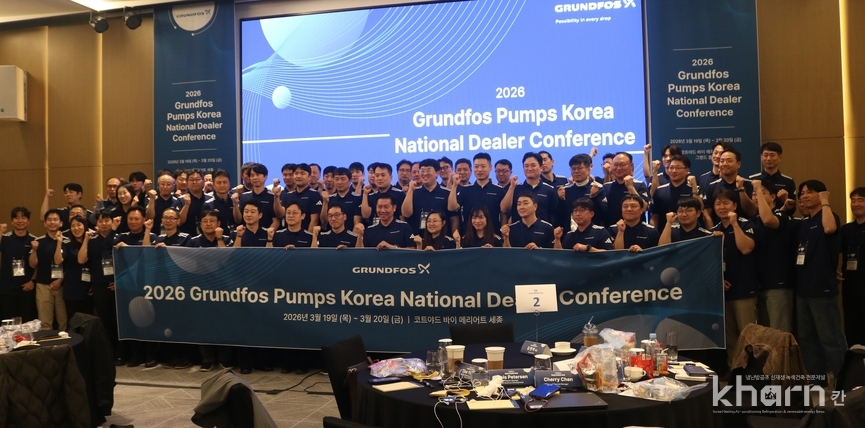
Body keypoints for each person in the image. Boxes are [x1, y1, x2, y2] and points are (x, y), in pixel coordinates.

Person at [794, 180, 847, 386]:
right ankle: (818, 379)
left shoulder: (829, 216)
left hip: (822, 287)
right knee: (807, 337)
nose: (804, 196)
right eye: (802, 193)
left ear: (821, 194)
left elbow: (830, 229)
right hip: (803, 288)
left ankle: (844, 381)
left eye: (810, 192)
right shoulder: (804, 223)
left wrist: (825, 201)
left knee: (830, 337)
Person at [709, 188, 758, 367]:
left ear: (735, 205)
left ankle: (751, 373)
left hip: (744, 290)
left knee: (748, 336)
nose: (722, 207)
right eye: (718, 203)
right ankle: (734, 373)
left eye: (726, 203)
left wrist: (735, 224)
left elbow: (746, 248)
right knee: (730, 338)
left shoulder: (746, 225)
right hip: (723, 293)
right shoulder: (713, 231)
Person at [750, 180, 795, 333]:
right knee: (765, 333)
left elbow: (768, 220)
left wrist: (757, 187)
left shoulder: (781, 214)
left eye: (762, 193)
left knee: (779, 331)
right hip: (759, 285)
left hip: (778, 283)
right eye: (754, 194)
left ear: (773, 196)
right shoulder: (754, 221)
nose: (756, 196)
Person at [79, 210, 120, 364]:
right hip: (99, 285)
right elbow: (82, 260)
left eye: (106, 220)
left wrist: (119, 281)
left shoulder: (119, 238)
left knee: (118, 320)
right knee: (104, 320)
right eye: (100, 221)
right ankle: (108, 353)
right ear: (96, 223)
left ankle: (120, 352)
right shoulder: (92, 240)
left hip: (116, 285)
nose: (103, 223)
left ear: (112, 221)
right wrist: (85, 240)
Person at [448, 152, 507, 233]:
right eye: (476, 166)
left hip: (493, 235)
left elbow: (503, 214)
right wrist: (454, 186)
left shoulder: (499, 190)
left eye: (483, 166)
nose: (479, 170)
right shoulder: (465, 190)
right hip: (469, 236)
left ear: (490, 167)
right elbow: (451, 208)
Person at [30, 209, 69, 331]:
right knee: (45, 322)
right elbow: (33, 265)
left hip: (63, 286)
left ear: (61, 223)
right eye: (49, 220)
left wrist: (60, 280)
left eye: (55, 219)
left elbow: (70, 265)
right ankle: (47, 343)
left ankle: (64, 343)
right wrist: (34, 250)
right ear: (45, 223)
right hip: (43, 285)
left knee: (63, 320)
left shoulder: (67, 241)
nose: (52, 222)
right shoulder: (38, 241)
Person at [0, 207, 38, 322]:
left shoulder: (34, 240)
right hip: (7, 288)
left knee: (27, 323)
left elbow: (38, 265)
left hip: (26, 288)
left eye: (23, 218)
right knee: (8, 323)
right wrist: (0, 232)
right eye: (16, 218)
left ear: (28, 221)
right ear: (12, 221)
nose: (20, 221)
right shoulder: (5, 238)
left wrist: (32, 281)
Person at [402, 158, 457, 235]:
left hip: (441, 238)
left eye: (428, 170)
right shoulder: (413, 192)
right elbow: (406, 214)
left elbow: (453, 218)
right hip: (418, 237)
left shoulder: (447, 193)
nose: (424, 174)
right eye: (422, 171)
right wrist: (410, 191)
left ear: (437, 173)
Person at [702, 148, 756, 226]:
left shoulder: (749, 184)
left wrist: (741, 189)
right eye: (722, 161)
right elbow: (707, 214)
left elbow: (752, 212)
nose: (725, 164)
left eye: (729, 161)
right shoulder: (712, 186)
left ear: (738, 164)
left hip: (746, 228)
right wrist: (712, 231)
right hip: (720, 230)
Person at [503, 152, 558, 225]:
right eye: (526, 166)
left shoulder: (549, 190)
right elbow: (504, 209)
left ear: (541, 168)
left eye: (533, 165)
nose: (529, 169)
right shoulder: (515, 188)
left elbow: (554, 215)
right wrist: (512, 187)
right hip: (519, 230)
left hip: (543, 231)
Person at [840, 187, 865, 347]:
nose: (855, 204)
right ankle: (855, 360)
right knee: (852, 330)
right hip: (850, 288)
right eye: (853, 200)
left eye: (860, 200)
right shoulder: (846, 230)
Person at [651, 154, 700, 232]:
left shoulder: (694, 189)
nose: (674, 171)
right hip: (664, 233)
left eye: (678, 168)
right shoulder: (660, 191)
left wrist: (694, 187)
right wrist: (654, 234)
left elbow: (701, 209)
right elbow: (654, 217)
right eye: (671, 168)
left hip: (690, 233)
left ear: (687, 170)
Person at [557, 153, 607, 229]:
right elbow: (559, 216)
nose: (576, 171)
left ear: (589, 168)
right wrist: (561, 200)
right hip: (570, 233)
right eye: (573, 169)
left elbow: (603, 215)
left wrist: (594, 197)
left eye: (580, 168)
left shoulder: (598, 188)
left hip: (593, 232)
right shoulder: (565, 189)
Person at [602, 152, 649, 227]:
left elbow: (644, 207)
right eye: (615, 165)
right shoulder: (606, 187)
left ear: (631, 165)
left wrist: (630, 187)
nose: (618, 168)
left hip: (636, 229)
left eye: (622, 165)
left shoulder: (639, 185)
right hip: (612, 230)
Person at [749, 142, 797, 214]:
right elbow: (748, 206)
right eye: (765, 155)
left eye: (772, 155)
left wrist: (785, 200)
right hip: (757, 218)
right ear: (761, 157)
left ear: (780, 158)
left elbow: (792, 210)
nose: (768, 159)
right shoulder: (752, 179)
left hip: (782, 219)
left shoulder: (788, 181)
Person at [62, 215, 93, 322]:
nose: (76, 228)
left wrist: (86, 240)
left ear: (85, 226)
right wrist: (86, 241)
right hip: (72, 288)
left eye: (79, 225)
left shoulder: (92, 242)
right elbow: (81, 260)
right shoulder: (67, 244)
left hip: (88, 288)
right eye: (73, 226)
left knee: (88, 322)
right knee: (73, 321)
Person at [234, 163, 280, 231]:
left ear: (265, 177)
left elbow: (276, 221)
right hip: (247, 234)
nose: (255, 178)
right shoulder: (244, 196)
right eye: (252, 175)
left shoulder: (272, 197)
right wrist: (235, 204)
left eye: (258, 175)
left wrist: (267, 233)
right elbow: (238, 220)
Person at [277, 163, 322, 232]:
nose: (298, 176)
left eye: (302, 173)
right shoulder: (287, 195)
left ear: (309, 177)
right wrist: (276, 198)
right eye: (296, 173)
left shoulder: (315, 195)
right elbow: (281, 214)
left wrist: (308, 236)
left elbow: (314, 221)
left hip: (306, 235)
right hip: (288, 234)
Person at [362, 163, 405, 227]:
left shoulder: (399, 194)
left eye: (383, 175)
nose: (379, 178)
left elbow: (403, 218)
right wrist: (365, 194)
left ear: (391, 177)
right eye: (377, 175)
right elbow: (365, 215)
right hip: (375, 230)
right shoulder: (371, 196)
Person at [321, 167, 362, 231]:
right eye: (336, 179)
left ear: (350, 180)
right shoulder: (329, 198)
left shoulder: (357, 198)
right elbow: (324, 221)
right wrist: (325, 202)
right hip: (331, 235)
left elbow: (357, 223)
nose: (339, 182)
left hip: (350, 235)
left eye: (343, 179)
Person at [202, 169, 236, 233]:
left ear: (229, 183)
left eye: (225, 182)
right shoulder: (208, 204)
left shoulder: (235, 201)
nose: (222, 185)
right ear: (213, 185)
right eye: (219, 183)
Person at [178, 168, 207, 235]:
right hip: (187, 238)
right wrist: (186, 205)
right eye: (191, 180)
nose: (194, 182)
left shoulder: (210, 199)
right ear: (187, 182)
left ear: (203, 181)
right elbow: (179, 222)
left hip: (208, 238)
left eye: (197, 179)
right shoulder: (180, 200)